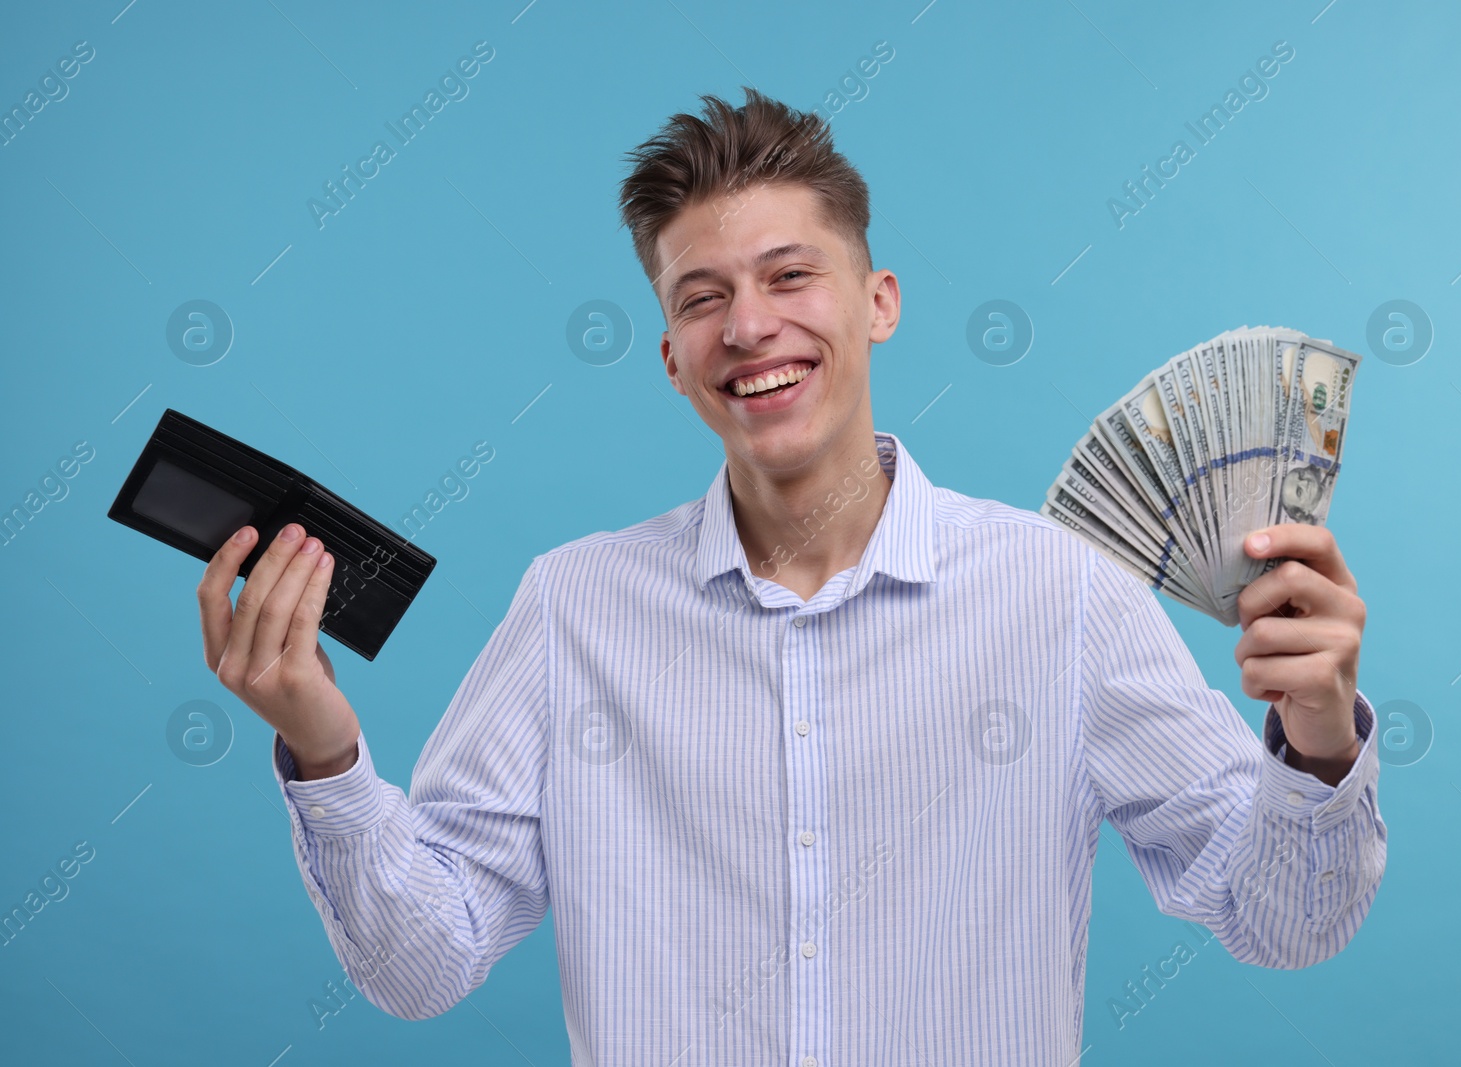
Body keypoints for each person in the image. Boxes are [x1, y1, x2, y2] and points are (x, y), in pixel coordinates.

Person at [197, 87, 1384, 1065]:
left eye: (789, 277)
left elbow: (1280, 922)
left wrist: (1319, 735)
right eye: (700, 297)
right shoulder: (575, 606)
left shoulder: (1061, 595)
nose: (748, 326)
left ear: (878, 303)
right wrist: (324, 747)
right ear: (670, 356)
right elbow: (423, 962)